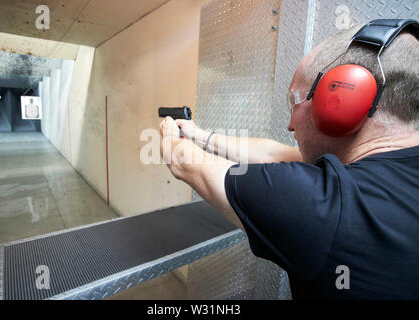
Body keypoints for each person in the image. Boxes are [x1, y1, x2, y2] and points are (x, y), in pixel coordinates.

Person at [159, 22, 419, 299]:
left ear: (342, 100)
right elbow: (275, 153)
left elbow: (186, 164)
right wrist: (200, 135)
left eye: (296, 102)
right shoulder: (391, 175)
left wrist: (168, 134)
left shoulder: (322, 206)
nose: (291, 125)